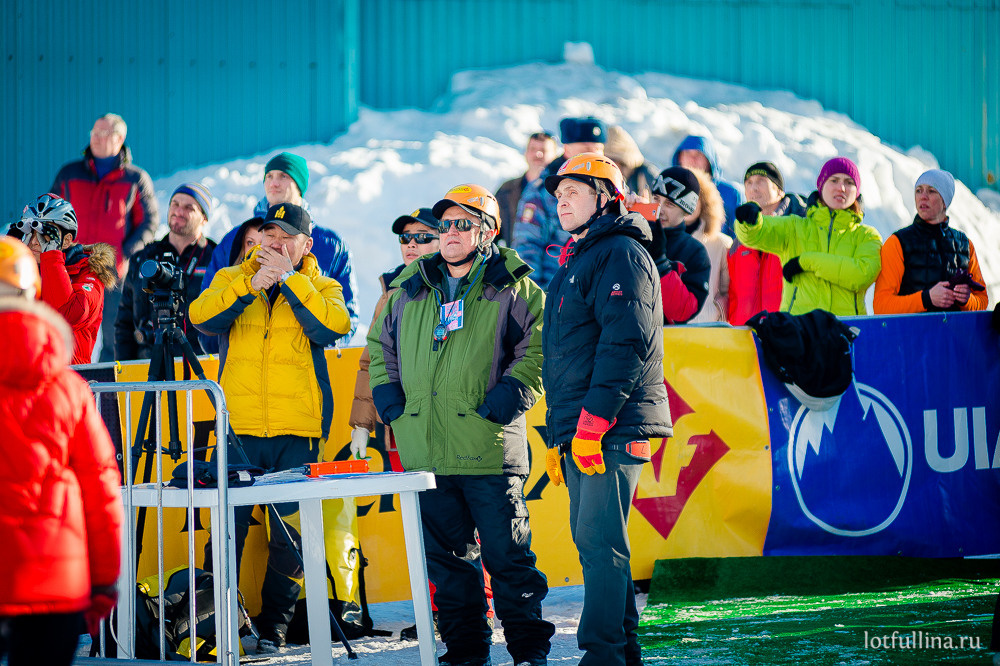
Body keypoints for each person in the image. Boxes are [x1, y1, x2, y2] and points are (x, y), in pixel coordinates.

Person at [368, 184, 553, 666]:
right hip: (427, 452)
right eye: (444, 224)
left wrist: (507, 398)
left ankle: (529, 652)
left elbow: (537, 350)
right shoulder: (409, 284)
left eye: (462, 224)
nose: (450, 232)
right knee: (448, 567)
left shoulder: (515, 286)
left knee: (508, 560)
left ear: (487, 231)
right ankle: (467, 651)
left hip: (487, 448)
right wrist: (389, 399)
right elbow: (379, 346)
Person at [190, 202, 352, 654]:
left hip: (295, 433)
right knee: (224, 533)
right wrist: (248, 285)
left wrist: (290, 281)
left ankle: (275, 627)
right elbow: (201, 318)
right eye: (268, 235)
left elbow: (333, 326)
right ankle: (217, 626)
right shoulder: (231, 277)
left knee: (290, 539)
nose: (274, 244)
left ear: (306, 245)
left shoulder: (323, 285)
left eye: (285, 237)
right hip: (236, 432)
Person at [540, 153, 671, 666]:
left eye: (574, 190)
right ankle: (621, 653)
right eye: (557, 194)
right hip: (588, 428)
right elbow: (571, 353)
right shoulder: (583, 256)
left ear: (605, 197)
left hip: (610, 427)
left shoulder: (619, 252)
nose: (561, 200)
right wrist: (563, 434)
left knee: (600, 549)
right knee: (601, 547)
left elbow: (627, 343)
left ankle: (603, 656)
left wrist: (591, 425)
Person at [0, 237, 123, 666]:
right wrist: (104, 582)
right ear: (31, 292)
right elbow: (101, 492)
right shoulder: (68, 390)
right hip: (53, 586)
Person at [199, 152, 358, 348]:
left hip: (303, 366)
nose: (274, 183)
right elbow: (207, 307)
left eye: (283, 176)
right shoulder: (235, 237)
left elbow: (346, 315)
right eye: (269, 176)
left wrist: (324, 350)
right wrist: (227, 350)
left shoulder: (330, 243)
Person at [51, 113, 159, 361]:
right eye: (94, 133)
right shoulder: (69, 173)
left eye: (104, 133)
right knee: (66, 333)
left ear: (120, 139)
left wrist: (126, 252)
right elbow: (51, 214)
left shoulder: (135, 179)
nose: (96, 139)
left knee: (114, 339)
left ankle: (108, 397)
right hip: (70, 270)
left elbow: (148, 222)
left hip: (113, 273)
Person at [349, 207, 440, 470]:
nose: (411, 243)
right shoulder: (390, 292)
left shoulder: (456, 287)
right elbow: (371, 362)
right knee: (411, 508)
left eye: (422, 237)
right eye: (405, 237)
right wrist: (361, 425)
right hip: (398, 425)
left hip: (446, 427)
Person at [734, 157, 883, 316]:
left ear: (857, 191)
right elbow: (757, 233)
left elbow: (861, 275)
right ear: (821, 186)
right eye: (834, 180)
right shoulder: (795, 227)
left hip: (846, 331)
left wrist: (806, 262)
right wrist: (748, 222)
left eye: (849, 182)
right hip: (798, 332)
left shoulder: (867, 236)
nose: (841, 188)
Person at [7, 193, 117, 364]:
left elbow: (69, 315)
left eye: (46, 235)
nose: (35, 242)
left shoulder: (88, 272)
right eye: (31, 232)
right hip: (21, 377)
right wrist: (9, 253)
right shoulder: (21, 271)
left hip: (67, 380)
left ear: (66, 241)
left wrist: (51, 255)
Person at [115, 182, 217, 360]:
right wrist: (125, 373)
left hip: (200, 367)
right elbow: (124, 325)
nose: (179, 211)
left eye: (189, 207)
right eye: (175, 204)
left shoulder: (216, 259)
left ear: (204, 218)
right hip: (148, 367)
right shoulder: (144, 258)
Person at [874, 169, 988, 314]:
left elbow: (982, 302)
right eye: (919, 191)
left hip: (954, 336)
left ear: (945, 201)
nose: (923, 197)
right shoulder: (897, 242)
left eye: (932, 191)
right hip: (913, 335)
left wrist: (967, 300)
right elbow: (881, 306)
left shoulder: (965, 245)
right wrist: (925, 299)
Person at [513, 116, 607, 290]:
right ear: (568, 149)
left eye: (599, 149)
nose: (595, 156)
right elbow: (527, 248)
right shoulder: (542, 191)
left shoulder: (611, 188)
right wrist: (537, 301)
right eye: (587, 149)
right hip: (557, 290)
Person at [728, 162, 807, 325]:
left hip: (787, 333)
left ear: (779, 191)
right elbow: (734, 295)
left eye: (761, 181)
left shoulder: (800, 228)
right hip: (746, 337)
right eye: (748, 183)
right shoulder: (739, 241)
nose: (753, 188)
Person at [648, 167, 712, 324]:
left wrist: (660, 263)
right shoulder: (633, 232)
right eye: (656, 198)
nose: (659, 209)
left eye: (669, 204)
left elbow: (683, 312)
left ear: (686, 211)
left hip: (663, 343)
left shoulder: (695, 252)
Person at [671, 134, 744, 238]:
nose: (692, 159)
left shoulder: (731, 194)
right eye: (687, 153)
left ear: (709, 160)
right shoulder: (669, 189)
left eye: (699, 154)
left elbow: (741, 238)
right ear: (679, 158)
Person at [685, 169, 732, 323]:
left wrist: (715, 312)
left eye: (692, 196)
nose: (684, 202)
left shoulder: (721, 244)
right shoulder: (659, 240)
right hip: (668, 334)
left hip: (708, 332)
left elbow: (729, 291)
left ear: (704, 202)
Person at [495, 132, 558, 247]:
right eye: (533, 149)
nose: (538, 154)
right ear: (525, 153)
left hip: (552, 260)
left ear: (554, 155)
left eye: (543, 150)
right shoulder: (507, 189)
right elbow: (492, 229)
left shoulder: (560, 189)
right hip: (515, 259)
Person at [604, 125, 658, 199]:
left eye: (611, 161)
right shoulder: (620, 179)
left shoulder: (647, 175)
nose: (607, 166)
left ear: (622, 161)